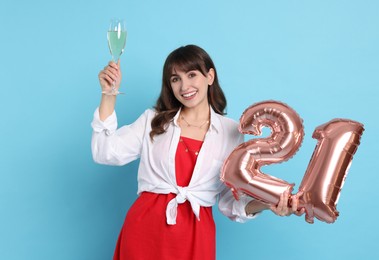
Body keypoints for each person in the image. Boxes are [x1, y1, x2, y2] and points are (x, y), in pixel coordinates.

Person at [91, 45, 301, 260]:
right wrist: (108, 94)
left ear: (210, 76)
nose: (184, 86)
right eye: (175, 79)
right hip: (144, 230)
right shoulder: (153, 120)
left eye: (192, 75)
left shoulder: (230, 132)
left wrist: (268, 204)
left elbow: (231, 201)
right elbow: (105, 152)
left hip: (195, 236)